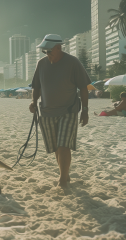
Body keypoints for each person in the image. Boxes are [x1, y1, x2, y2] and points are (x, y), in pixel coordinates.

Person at [30, 34, 90, 188]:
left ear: (58, 47)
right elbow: (36, 86)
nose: (47, 54)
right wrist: (33, 102)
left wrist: (85, 110)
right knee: (56, 146)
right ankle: (65, 173)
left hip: (68, 111)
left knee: (64, 145)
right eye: (45, 51)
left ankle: (63, 179)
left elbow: (83, 87)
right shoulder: (41, 64)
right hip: (47, 111)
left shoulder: (73, 62)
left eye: (49, 51)